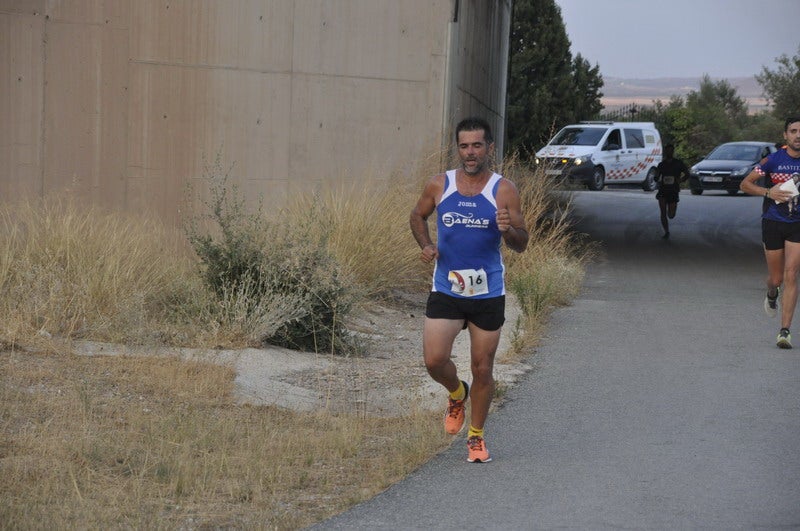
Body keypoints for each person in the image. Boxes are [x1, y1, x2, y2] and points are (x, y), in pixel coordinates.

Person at [409, 116, 528, 463]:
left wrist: (508, 231)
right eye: (464, 146)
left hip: (487, 292)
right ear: (457, 149)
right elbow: (417, 216)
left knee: (483, 369)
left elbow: (522, 244)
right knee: (434, 360)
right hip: (447, 287)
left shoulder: (503, 189)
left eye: (477, 145)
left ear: (489, 148)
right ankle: (456, 392)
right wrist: (426, 245)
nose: (470, 152)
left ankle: (476, 437)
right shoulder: (438, 185)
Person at [740, 116, 800, 348]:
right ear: (785, 135)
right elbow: (745, 184)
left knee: (791, 274)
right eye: (793, 131)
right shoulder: (772, 160)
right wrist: (768, 193)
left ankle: (784, 331)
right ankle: (772, 293)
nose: (798, 135)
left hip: (797, 224)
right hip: (773, 222)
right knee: (776, 279)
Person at [655, 143, 689, 239]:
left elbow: (687, 174)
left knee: (671, 215)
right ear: (665, 152)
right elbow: (657, 176)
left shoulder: (678, 163)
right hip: (663, 190)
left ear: (673, 152)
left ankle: (671, 211)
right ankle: (666, 231)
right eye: (667, 151)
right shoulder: (661, 165)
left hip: (673, 190)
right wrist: (656, 178)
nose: (669, 152)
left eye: (671, 150)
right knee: (663, 212)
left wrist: (680, 180)